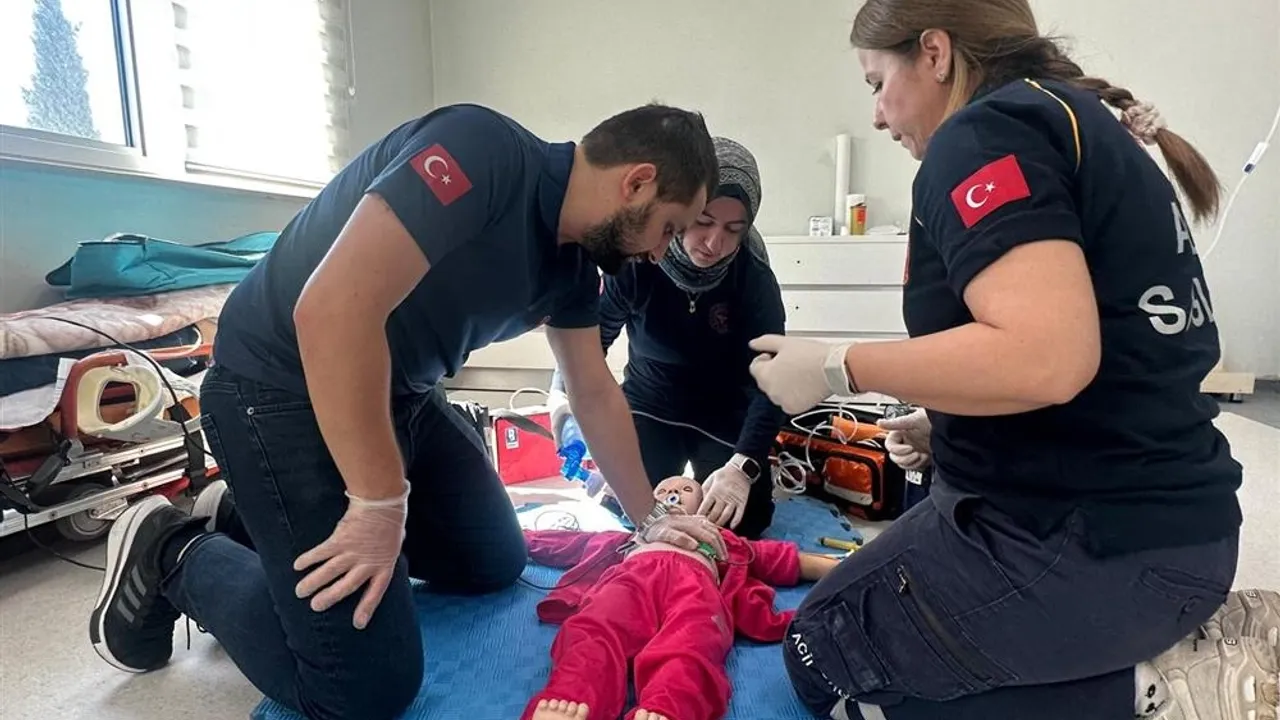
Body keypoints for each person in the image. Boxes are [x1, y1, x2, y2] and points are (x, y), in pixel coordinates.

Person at [87, 102, 734, 720]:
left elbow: (592, 390)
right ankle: (169, 549)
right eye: (669, 228)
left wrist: (650, 520)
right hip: (278, 386)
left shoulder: (574, 268)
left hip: (402, 394)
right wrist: (377, 502)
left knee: (493, 561)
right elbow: (332, 311)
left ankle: (248, 515)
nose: (663, 252)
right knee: (360, 689)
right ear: (637, 182)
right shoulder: (480, 150)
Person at [745, 2, 1280, 719]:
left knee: (823, 658)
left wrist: (838, 365)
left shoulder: (981, 137)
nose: (876, 115)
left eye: (877, 83)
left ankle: (1160, 692)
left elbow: (1048, 358)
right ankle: (1159, 649)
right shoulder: (1072, 121)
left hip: (1097, 545)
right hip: (1177, 525)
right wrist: (952, 422)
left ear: (935, 53)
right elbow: (1111, 352)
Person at [549, 137, 786, 539]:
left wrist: (743, 465)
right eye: (703, 222)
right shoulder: (638, 260)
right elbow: (589, 340)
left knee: (743, 520)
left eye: (734, 230)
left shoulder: (753, 277)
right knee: (628, 503)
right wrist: (564, 400)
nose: (714, 243)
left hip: (723, 410)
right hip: (650, 402)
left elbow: (773, 380)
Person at [521, 475, 841, 720]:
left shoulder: (722, 539)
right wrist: (514, 540)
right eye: (662, 491)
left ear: (703, 506)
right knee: (595, 629)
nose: (672, 493)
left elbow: (780, 559)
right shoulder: (629, 537)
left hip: (696, 589)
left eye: (686, 489)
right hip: (630, 580)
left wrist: (850, 569)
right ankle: (573, 694)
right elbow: (565, 543)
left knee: (691, 644)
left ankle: (668, 707)